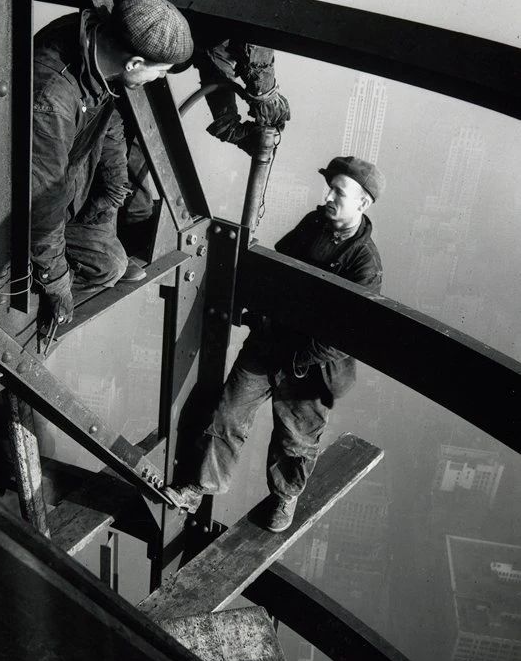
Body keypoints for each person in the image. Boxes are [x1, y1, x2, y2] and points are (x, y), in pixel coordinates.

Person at [164, 156, 385, 533]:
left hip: (312, 366)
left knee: (295, 440)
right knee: (228, 414)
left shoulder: (365, 265)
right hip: (272, 341)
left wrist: (299, 360)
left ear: (362, 204)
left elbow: (344, 336)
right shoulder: (314, 224)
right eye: (329, 187)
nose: (328, 196)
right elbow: (277, 264)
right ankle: (200, 488)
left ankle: (284, 499)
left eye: (339, 192)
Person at [120, 0, 344, 239]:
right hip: (137, 2)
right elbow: (255, 25)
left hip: (146, 21)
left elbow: (217, 52)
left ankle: (128, 225)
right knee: (122, 134)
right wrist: (265, 93)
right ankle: (126, 228)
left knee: (133, 136)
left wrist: (232, 127)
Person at [30, 0, 194, 328]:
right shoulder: (51, 100)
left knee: (121, 242)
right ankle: (36, 296)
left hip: (65, 180)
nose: (161, 78)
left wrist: (114, 184)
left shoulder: (95, 44)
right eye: (160, 70)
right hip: (21, 210)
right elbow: (41, 202)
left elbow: (110, 118)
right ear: (134, 63)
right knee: (108, 267)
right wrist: (57, 278)